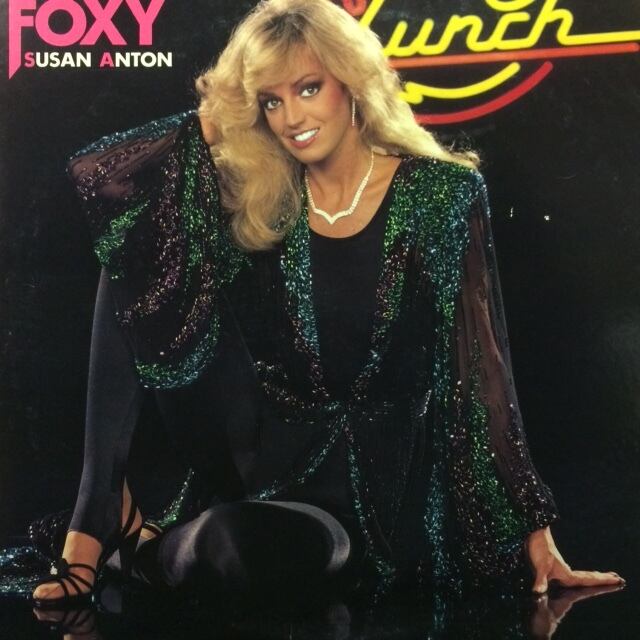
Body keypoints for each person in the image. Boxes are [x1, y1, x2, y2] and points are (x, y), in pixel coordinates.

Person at [32, 0, 624, 606]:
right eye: (271, 100)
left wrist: (533, 530)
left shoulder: (441, 194)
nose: (291, 118)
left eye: (309, 88)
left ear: (352, 82)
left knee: (239, 543)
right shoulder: (263, 199)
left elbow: (480, 368)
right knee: (132, 241)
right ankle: (94, 521)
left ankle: (139, 546)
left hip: (389, 488)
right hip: (268, 461)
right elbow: (103, 177)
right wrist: (219, 119)